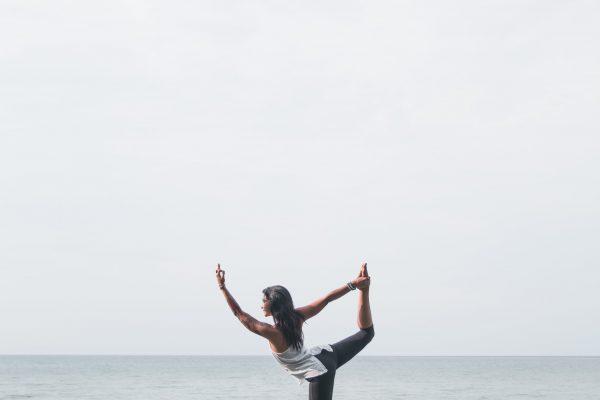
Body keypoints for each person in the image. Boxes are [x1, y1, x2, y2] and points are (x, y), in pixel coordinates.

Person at [215, 262, 374, 400]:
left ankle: (363, 288)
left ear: (274, 303)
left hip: (319, 371)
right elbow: (327, 299)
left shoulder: (272, 332)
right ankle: (364, 290)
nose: (261, 305)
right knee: (366, 333)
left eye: (264, 301)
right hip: (327, 354)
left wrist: (222, 287)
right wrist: (353, 284)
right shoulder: (297, 316)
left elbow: (239, 314)